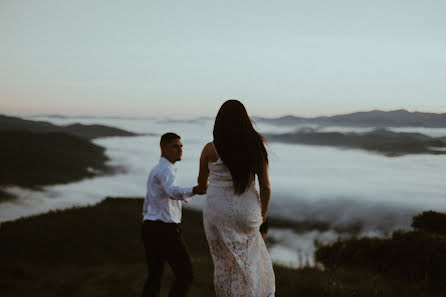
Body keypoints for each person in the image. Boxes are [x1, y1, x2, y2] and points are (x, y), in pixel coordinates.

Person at [195, 100, 276, 297]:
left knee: (224, 263)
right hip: (247, 210)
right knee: (250, 261)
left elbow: (202, 183)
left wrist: (199, 189)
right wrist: (263, 214)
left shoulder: (209, 149)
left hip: (217, 211)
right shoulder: (257, 147)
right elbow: (265, 186)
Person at [141, 132, 203, 297]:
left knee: (155, 277)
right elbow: (172, 191)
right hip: (163, 229)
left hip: (150, 227)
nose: (180, 150)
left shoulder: (158, 169)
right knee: (185, 274)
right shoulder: (165, 169)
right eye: (175, 146)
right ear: (163, 147)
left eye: (181, 146)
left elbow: (148, 202)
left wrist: (147, 222)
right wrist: (195, 190)